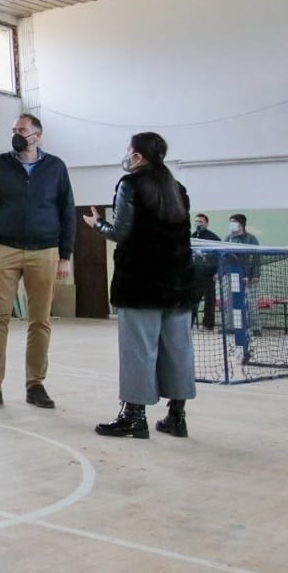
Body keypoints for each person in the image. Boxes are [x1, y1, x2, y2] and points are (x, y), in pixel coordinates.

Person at [84, 132, 195, 438]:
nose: (127, 155)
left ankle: (133, 415)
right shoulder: (178, 188)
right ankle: (176, 417)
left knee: (139, 349)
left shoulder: (130, 185)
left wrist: (97, 224)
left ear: (138, 155)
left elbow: (120, 232)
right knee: (178, 350)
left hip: (140, 282)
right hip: (178, 282)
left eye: (129, 150)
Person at [0, 113, 75, 410]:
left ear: (37, 135)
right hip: (5, 249)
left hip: (45, 251)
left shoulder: (56, 168)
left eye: (23, 129)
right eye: (14, 129)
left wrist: (65, 255)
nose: (16, 134)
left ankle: (35, 384)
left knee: (40, 320)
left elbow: (67, 211)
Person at [191, 213, 221, 330]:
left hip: (209, 275)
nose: (198, 223)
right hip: (195, 275)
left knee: (209, 301)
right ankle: (189, 324)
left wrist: (218, 272)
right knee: (193, 301)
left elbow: (220, 256)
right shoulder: (193, 236)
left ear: (206, 223)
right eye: (196, 221)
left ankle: (208, 325)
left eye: (201, 222)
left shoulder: (213, 238)